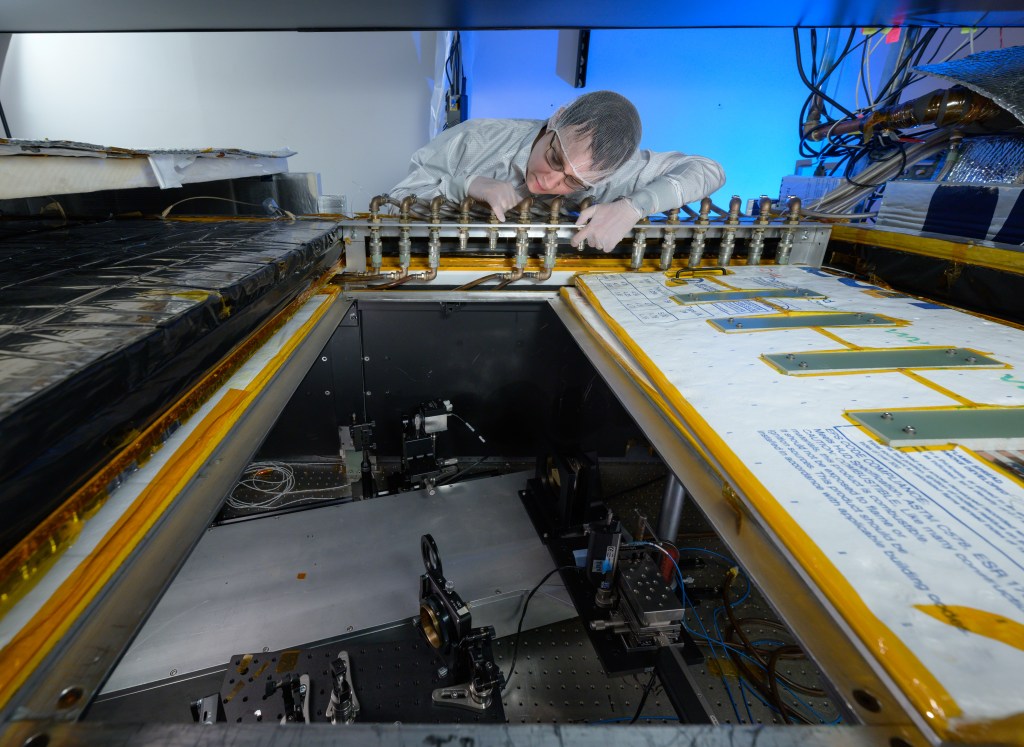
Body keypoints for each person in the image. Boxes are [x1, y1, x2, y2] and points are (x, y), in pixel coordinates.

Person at [388, 90, 725, 251]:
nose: (548, 182)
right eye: (554, 159)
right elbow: (397, 197)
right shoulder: (475, 138)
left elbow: (708, 170)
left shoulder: (617, 171)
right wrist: (467, 185)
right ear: (557, 118)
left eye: (573, 182)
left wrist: (633, 207)